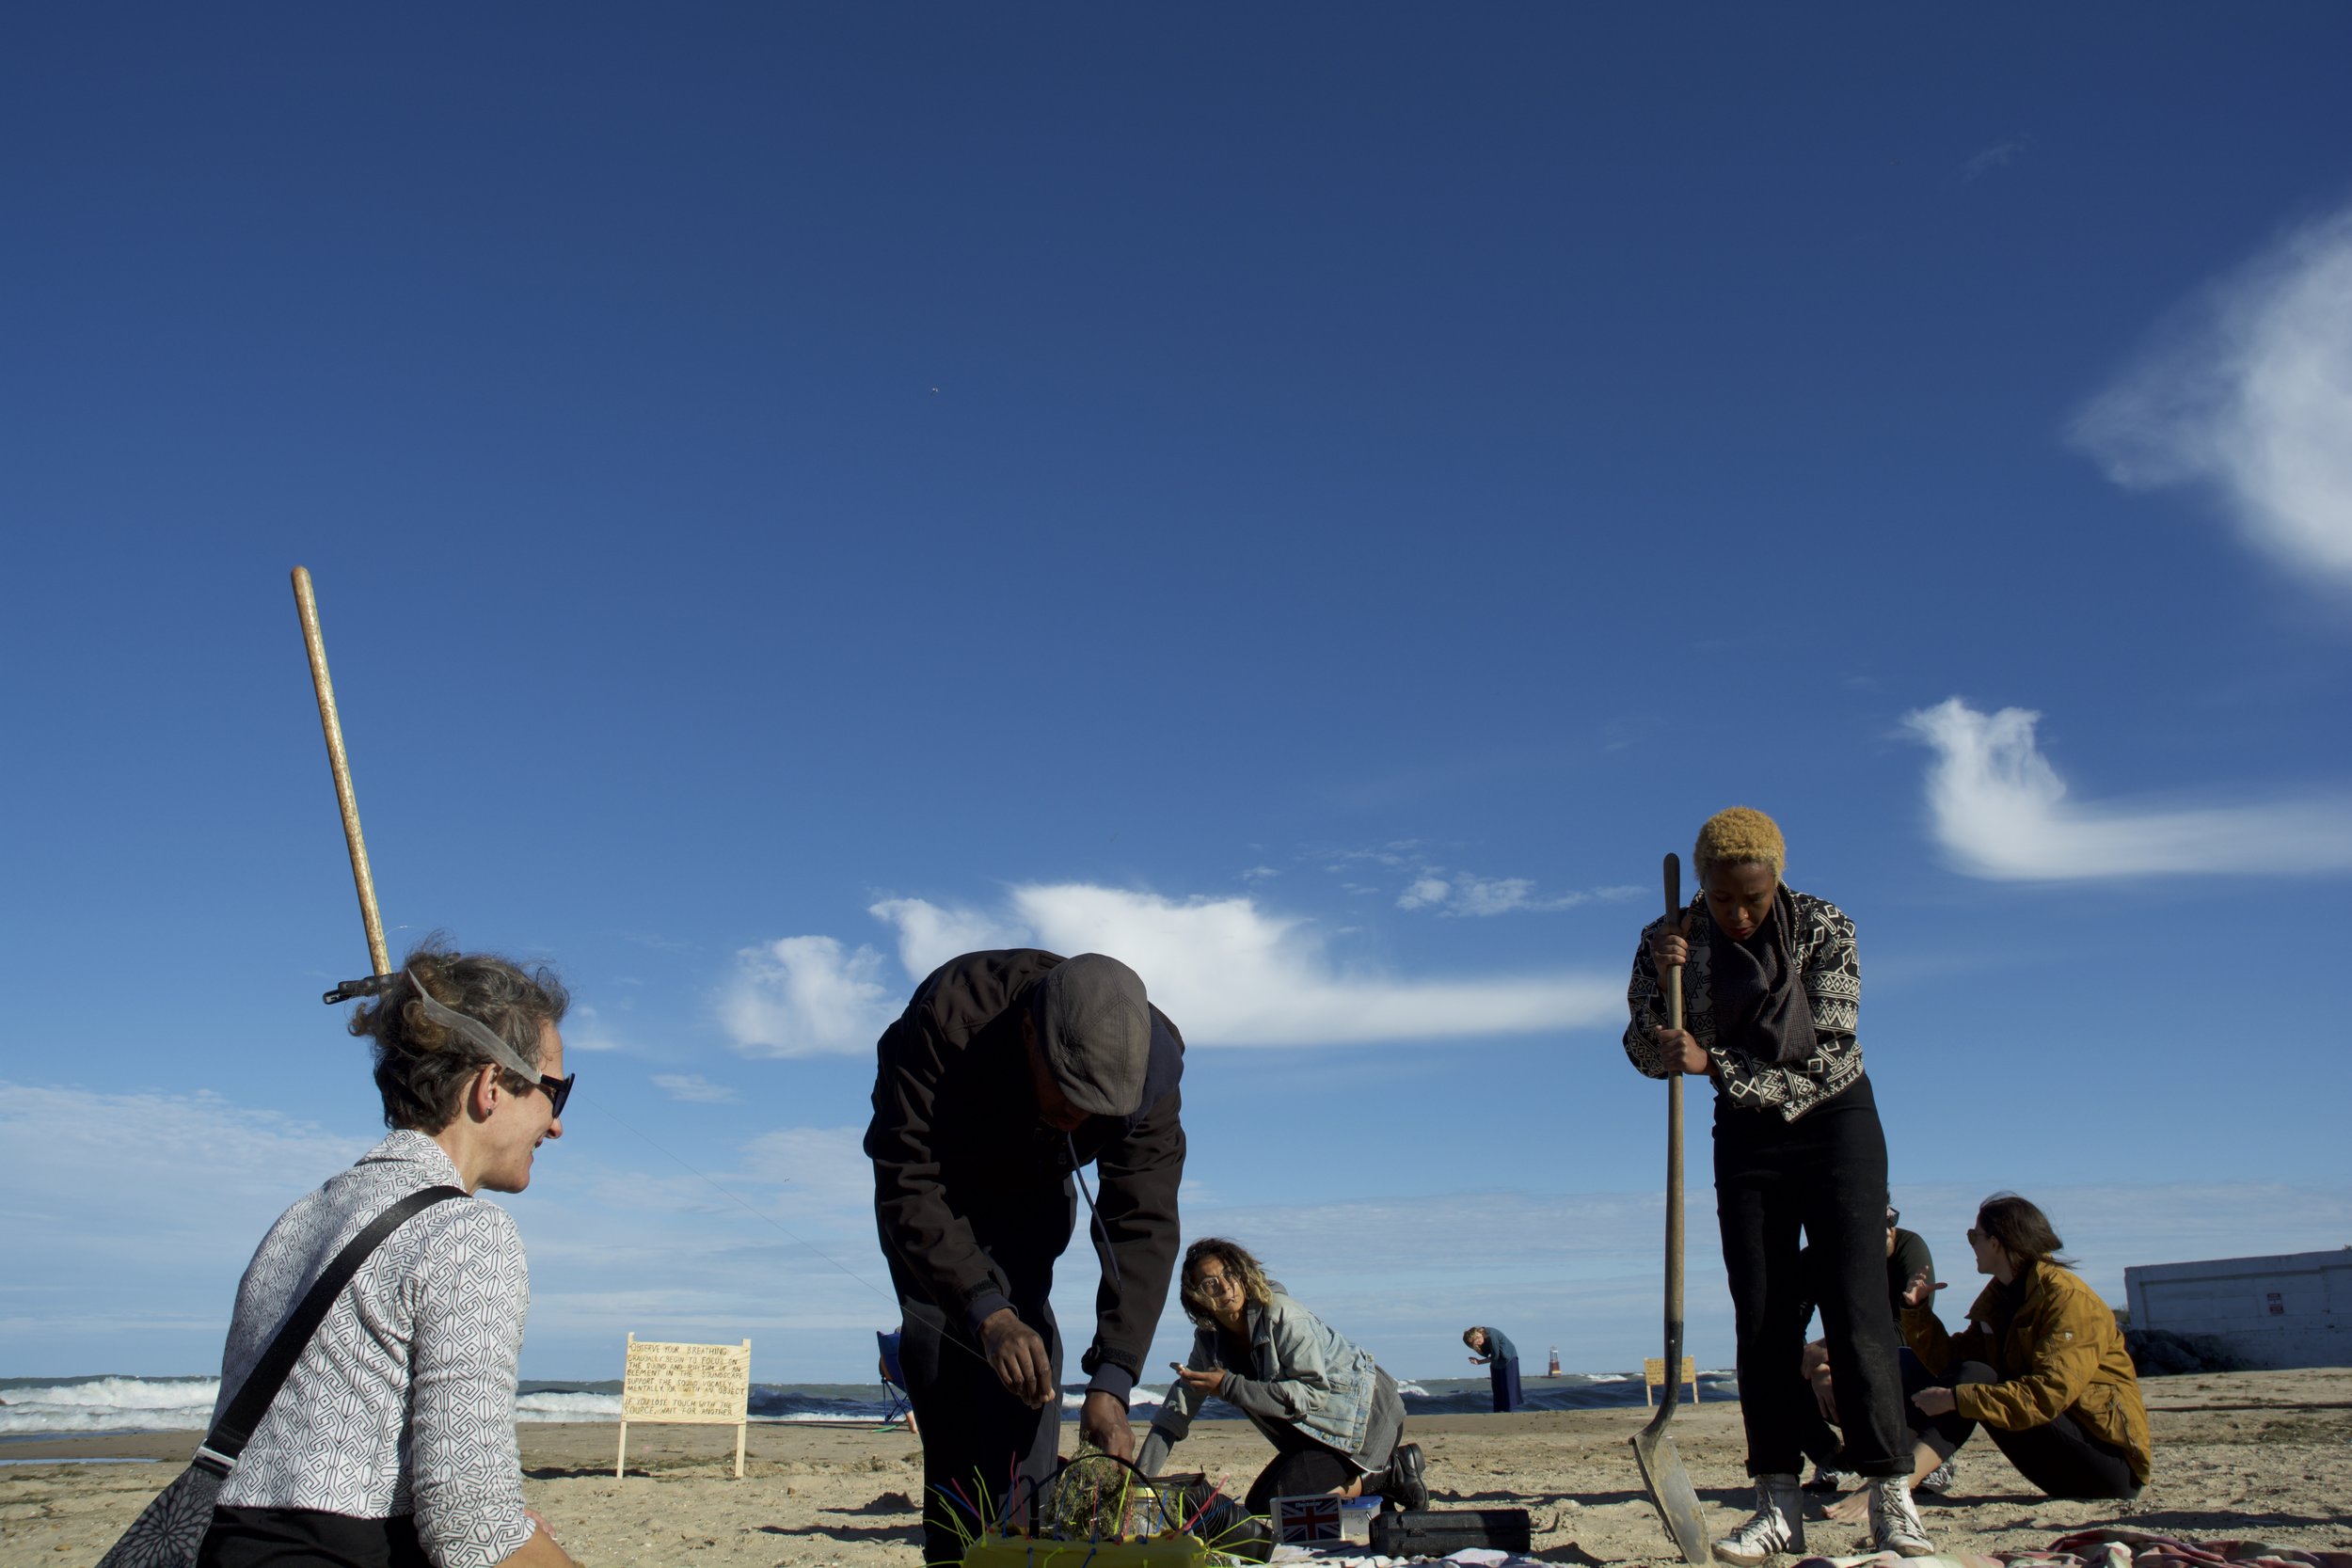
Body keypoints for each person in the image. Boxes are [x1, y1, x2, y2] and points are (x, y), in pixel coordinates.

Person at [198, 944, 579, 1568]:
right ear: (490, 1085)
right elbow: (472, 1529)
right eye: (554, 1092)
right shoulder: (466, 1232)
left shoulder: (302, 1217)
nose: (557, 1124)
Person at [1623, 807, 1933, 1562]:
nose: (1737, 913)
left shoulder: (1825, 927)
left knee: (1856, 1306)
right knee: (1761, 1317)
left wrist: (1713, 1064)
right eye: (1724, 898)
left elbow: (1828, 1052)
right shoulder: (1670, 940)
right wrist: (1665, 1007)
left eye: (1753, 899)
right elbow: (1641, 1049)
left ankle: (1892, 1500)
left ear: (1776, 882)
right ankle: (1776, 1503)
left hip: (1836, 1124)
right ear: (1703, 884)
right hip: (1748, 1136)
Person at [866, 950, 1185, 1565]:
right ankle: (958, 1547)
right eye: (1070, 1092)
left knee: (1028, 1340)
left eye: (1100, 1104)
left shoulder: (1149, 1073)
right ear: (1030, 1033)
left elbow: (1142, 1219)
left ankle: (1025, 1539)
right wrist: (988, 1313)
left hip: (1039, 1175)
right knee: (943, 1340)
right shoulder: (947, 1023)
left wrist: (1115, 1377)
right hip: (940, 1171)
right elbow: (908, 1182)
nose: (1082, 1113)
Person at [1137, 1240, 1428, 1517]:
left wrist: (1228, 1386)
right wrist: (1138, 1481)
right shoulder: (1209, 1342)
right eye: (1210, 1283)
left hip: (1365, 1425)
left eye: (1229, 1274)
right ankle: (1372, 1489)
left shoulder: (1282, 1315)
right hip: (1318, 1437)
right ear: (1197, 1297)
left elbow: (1313, 1394)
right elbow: (1177, 1411)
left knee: (1274, 1509)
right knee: (1259, 1505)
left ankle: (1390, 1472)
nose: (1225, 1287)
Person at [1899, 1193, 2151, 1500]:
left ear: (1996, 1242)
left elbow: (2048, 1395)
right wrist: (1918, 1312)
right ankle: (1896, 1474)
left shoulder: (2068, 1300)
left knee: (1968, 1387)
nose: (1971, 1246)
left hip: (2110, 1470)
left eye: (1973, 1236)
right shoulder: (2000, 1300)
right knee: (1916, 1366)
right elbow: (1954, 1365)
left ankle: (1900, 1483)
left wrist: (1958, 1399)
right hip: (2057, 1462)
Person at [1796, 1208, 1956, 1518]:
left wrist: (1832, 1353)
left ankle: (1926, 1453)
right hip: (1843, 1366)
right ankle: (1834, 1460)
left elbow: (1909, 1333)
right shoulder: (1818, 1258)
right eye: (1876, 1222)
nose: (1887, 1230)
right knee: (1775, 1365)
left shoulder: (1908, 1249)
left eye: (1891, 1221)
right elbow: (1789, 1326)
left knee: (1899, 1363)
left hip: (1899, 1367)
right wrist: (1817, 1369)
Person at [1462, 1326, 1523, 1413]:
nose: (1479, 1344)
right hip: (1497, 1362)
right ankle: (1497, 1412)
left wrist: (1479, 1362)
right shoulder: (1482, 1339)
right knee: (1497, 1388)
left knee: (1508, 1387)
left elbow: (1495, 1356)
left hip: (1508, 1358)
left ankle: (1509, 1412)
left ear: (1478, 1335)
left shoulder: (1491, 1334)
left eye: (1478, 1341)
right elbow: (1488, 1354)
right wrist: (1479, 1352)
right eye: (1476, 1345)